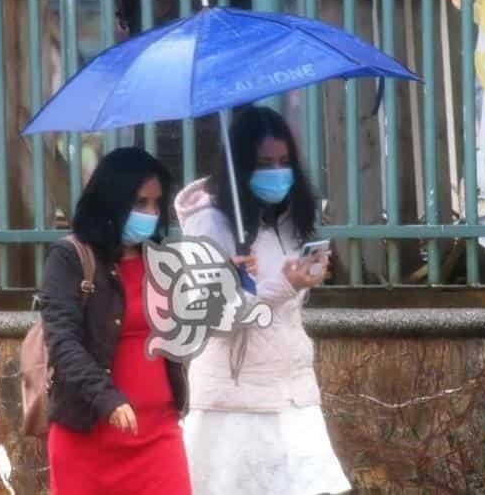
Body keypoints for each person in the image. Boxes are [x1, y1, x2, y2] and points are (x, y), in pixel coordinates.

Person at [175, 105, 352, 495]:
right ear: (240, 165)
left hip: (293, 391)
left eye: (284, 161)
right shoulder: (209, 223)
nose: (276, 172)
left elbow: (285, 304)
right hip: (237, 401)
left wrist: (305, 277)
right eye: (264, 162)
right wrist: (281, 287)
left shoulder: (288, 218)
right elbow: (212, 316)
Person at [40, 147, 191, 495]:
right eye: (140, 203)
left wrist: (235, 276)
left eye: (156, 204)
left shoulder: (162, 260)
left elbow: (190, 327)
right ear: (112, 200)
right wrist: (108, 399)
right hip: (88, 434)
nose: (151, 214)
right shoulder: (71, 257)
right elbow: (62, 341)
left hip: (159, 433)